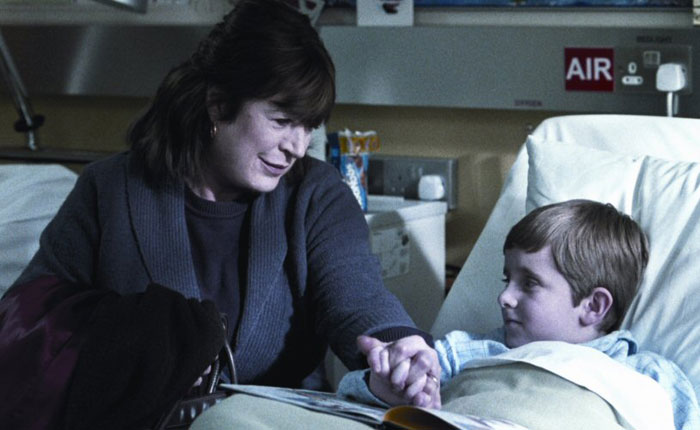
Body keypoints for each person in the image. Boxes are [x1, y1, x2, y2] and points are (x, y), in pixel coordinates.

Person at [8, 0, 437, 394]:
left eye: (309, 126)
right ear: (218, 104)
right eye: (282, 121)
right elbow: (28, 316)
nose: (296, 147)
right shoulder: (111, 190)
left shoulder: (316, 194)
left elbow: (358, 296)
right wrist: (132, 341)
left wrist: (400, 349)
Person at [341, 199, 700, 430]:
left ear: (593, 306)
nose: (504, 297)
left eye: (529, 283)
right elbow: (349, 393)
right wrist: (388, 385)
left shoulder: (648, 376)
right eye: (506, 279)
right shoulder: (467, 352)